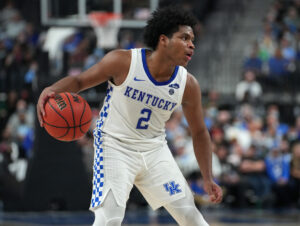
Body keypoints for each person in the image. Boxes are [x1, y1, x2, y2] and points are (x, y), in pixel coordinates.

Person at [37, 7, 222, 226]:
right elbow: (79, 82)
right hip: (114, 146)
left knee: (192, 217)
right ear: (163, 40)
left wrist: (208, 177)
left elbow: (200, 132)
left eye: (192, 39)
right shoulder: (123, 62)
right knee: (110, 219)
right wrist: (51, 90)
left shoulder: (188, 84)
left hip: (155, 150)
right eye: (184, 38)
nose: (192, 44)